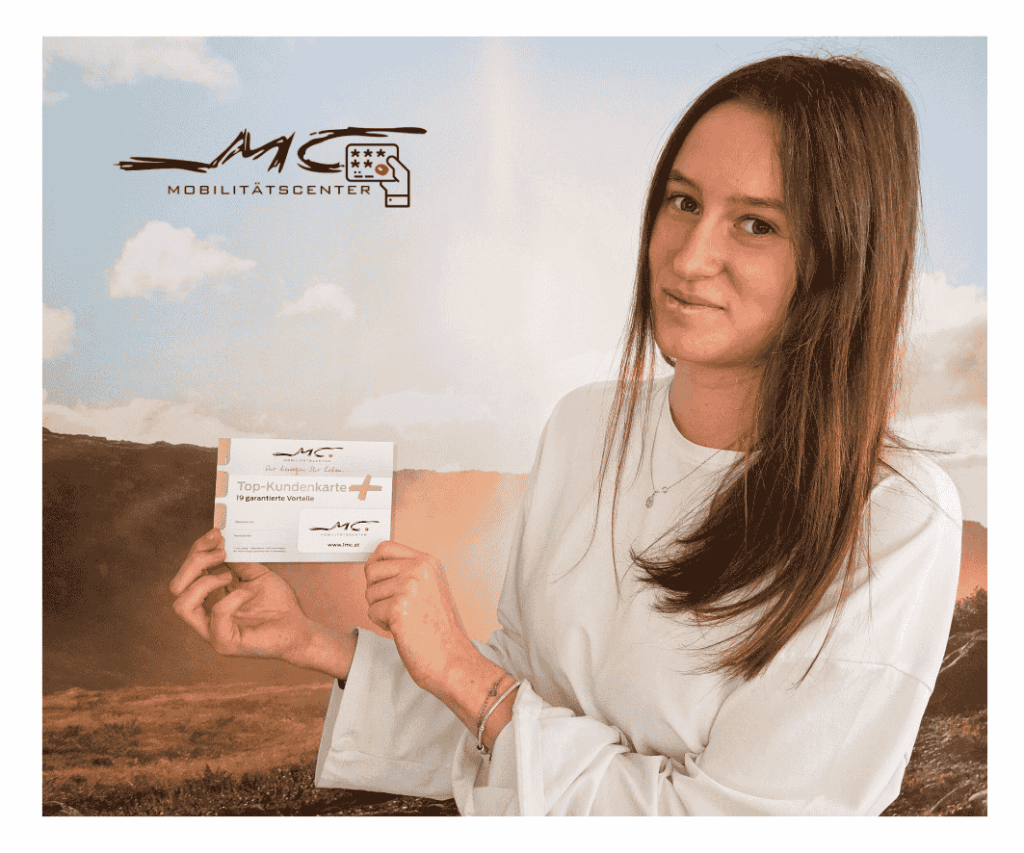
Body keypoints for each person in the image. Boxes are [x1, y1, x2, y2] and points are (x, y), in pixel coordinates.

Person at [169, 54, 963, 815]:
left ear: (843, 262)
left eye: (756, 224)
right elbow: (512, 726)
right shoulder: (585, 426)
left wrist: (465, 673)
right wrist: (313, 642)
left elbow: (732, 824)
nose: (690, 258)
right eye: (683, 202)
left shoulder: (894, 519)